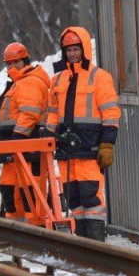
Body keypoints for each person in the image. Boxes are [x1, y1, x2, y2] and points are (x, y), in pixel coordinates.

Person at [45, 27, 121, 241]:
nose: (72, 54)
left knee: (91, 197)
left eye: (76, 49)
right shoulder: (57, 79)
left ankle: (96, 245)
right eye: (68, 50)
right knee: (73, 198)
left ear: (85, 49)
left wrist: (107, 144)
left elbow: (111, 113)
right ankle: (82, 243)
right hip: (65, 150)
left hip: (90, 148)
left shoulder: (100, 78)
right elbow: (52, 113)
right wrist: (47, 139)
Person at [0, 42, 51, 221]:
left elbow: (29, 114)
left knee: (28, 191)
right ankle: (16, 230)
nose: (11, 66)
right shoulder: (18, 83)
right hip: (13, 146)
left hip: (25, 146)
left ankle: (34, 229)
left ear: (25, 62)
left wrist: (17, 139)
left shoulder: (30, 82)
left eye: (15, 62)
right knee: (9, 188)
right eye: (8, 63)